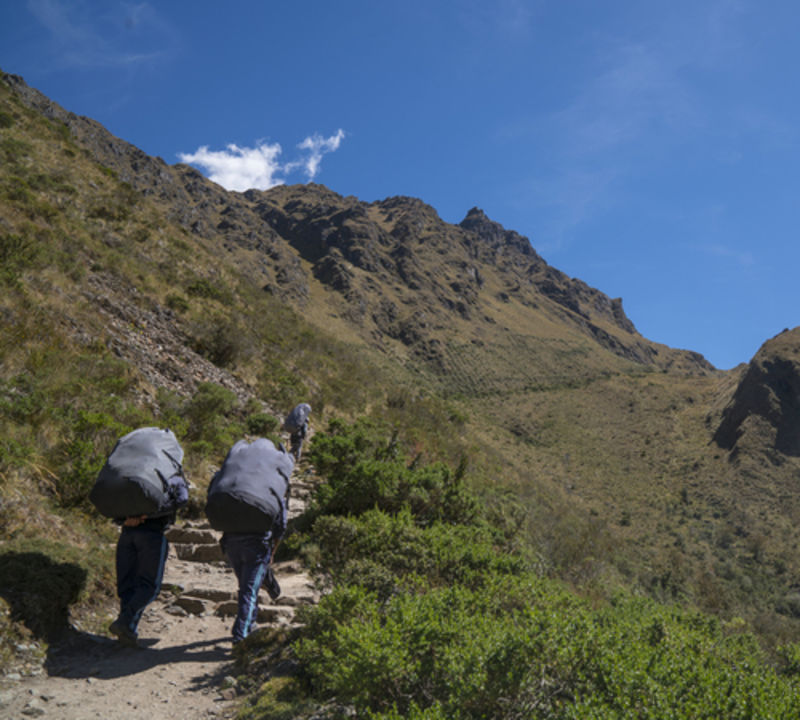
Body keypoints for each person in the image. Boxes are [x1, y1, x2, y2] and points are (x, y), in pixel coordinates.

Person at [109, 469, 188, 647]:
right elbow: (182, 499)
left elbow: (113, 502)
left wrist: (124, 520)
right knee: (149, 586)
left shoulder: (131, 472)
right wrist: (149, 515)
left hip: (127, 534)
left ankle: (127, 633)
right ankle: (125, 622)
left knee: (127, 584)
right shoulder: (172, 474)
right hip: (152, 535)